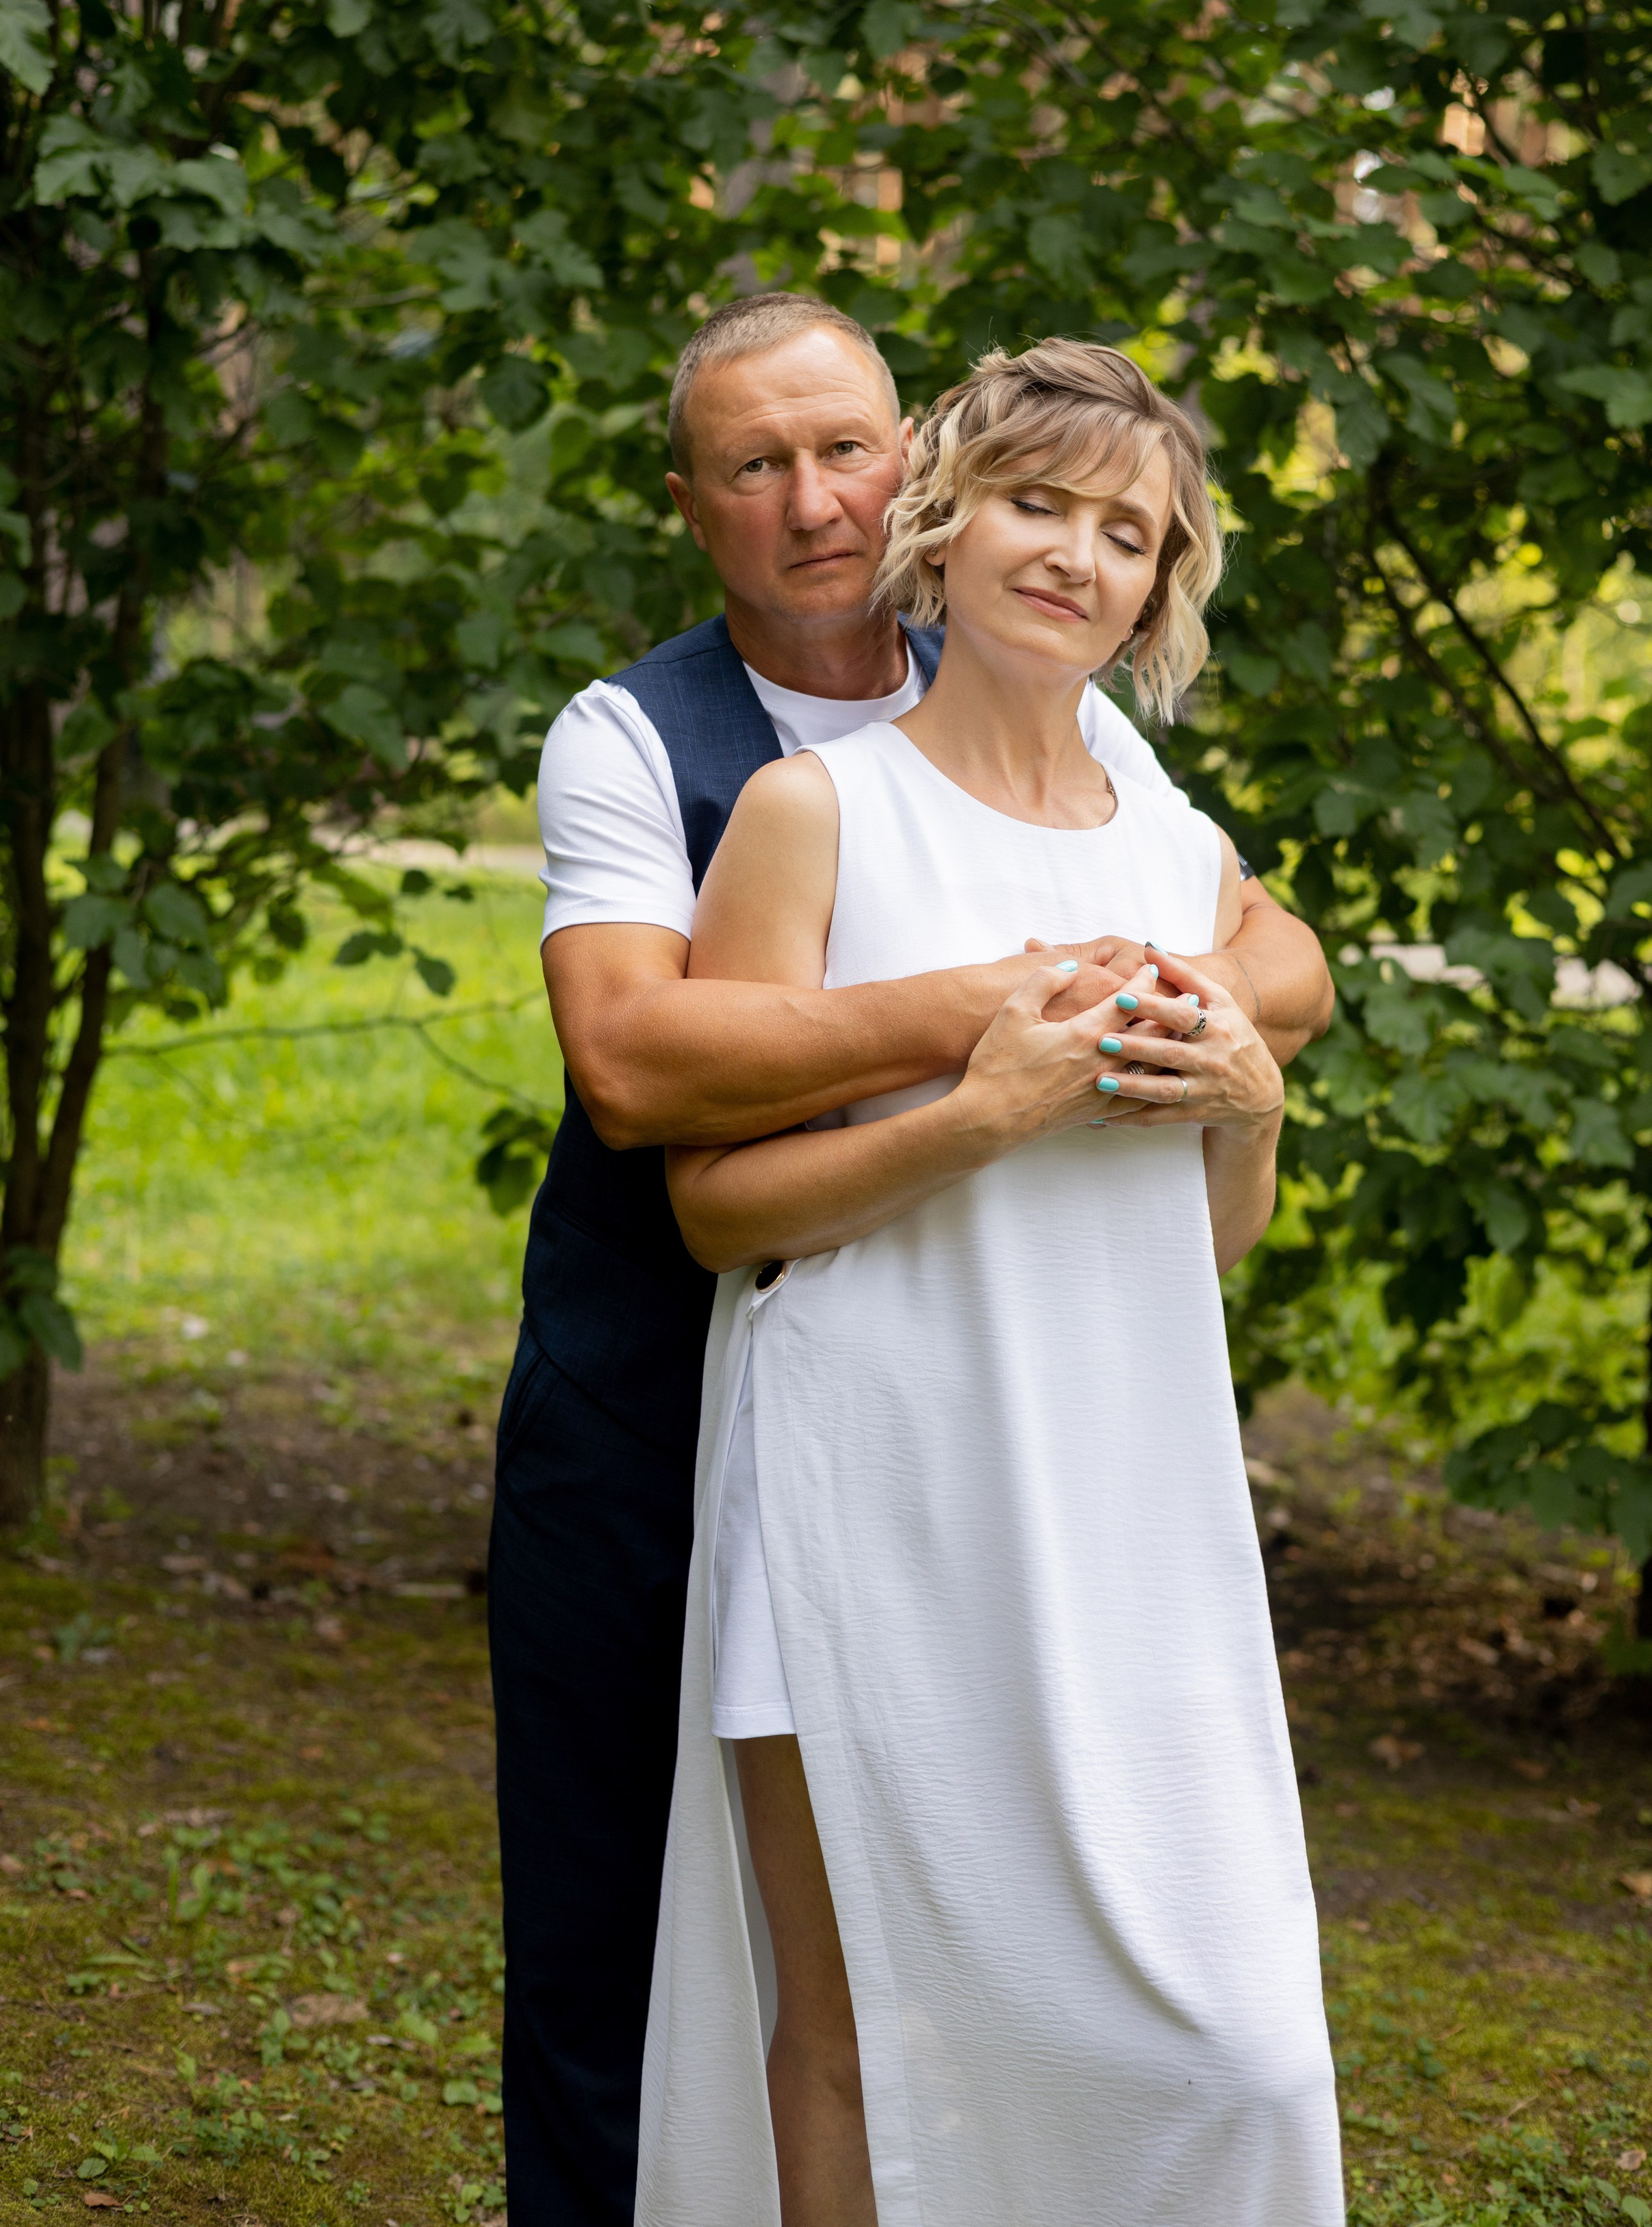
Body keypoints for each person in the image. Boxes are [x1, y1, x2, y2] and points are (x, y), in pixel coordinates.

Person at [489, 293, 1334, 2227]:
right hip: (691, 1407)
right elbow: (635, 1070)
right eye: (755, 465)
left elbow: (1268, 960)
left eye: (841, 449)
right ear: (694, 502)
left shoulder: (1098, 745)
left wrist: (1233, 1053)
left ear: (904, 462)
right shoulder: (660, 747)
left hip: (1082, 1465)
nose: (812, 500)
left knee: (1202, 2031)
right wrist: (999, 1043)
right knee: (654, 1949)